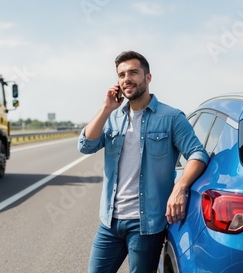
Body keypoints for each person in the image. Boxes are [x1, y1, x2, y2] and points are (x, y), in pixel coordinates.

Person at [78, 50, 209, 273]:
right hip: (109, 222)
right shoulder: (112, 118)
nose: (126, 78)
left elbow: (198, 154)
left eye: (133, 72)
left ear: (148, 78)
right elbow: (85, 145)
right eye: (121, 75)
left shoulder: (171, 117)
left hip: (146, 225)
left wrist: (180, 187)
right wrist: (106, 108)